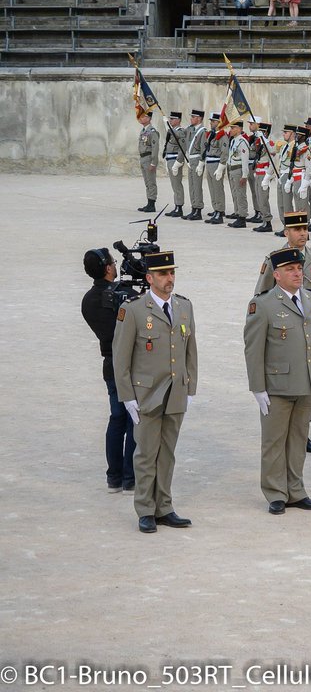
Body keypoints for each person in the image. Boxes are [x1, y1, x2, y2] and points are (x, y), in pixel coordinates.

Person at [112, 250, 197, 533]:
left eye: (171, 272)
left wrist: (190, 386)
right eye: (162, 274)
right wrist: (126, 397)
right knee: (146, 454)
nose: (169, 278)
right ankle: (145, 509)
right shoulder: (134, 310)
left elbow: (190, 350)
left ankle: (165, 506)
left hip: (175, 392)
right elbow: (121, 357)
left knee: (168, 453)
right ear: (149, 278)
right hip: (146, 395)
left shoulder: (184, 307)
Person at [244, 247, 311, 515]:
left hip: (306, 382)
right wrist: (257, 387)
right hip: (277, 386)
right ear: (276, 275)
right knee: (274, 441)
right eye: (290, 269)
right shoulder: (264, 304)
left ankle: (296, 489)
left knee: (298, 438)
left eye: (299, 268)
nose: (297, 273)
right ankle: (275, 492)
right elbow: (253, 348)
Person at [253, 211, 311, 453]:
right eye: (297, 230)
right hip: (284, 332)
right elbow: (260, 296)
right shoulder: (275, 260)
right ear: (286, 232)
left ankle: (303, 432)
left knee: (309, 381)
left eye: (305, 229)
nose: (303, 234)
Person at [81, 248, 136, 492]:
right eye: (114, 262)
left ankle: (113, 477)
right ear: (107, 268)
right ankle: (130, 477)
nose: (117, 265)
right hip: (130, 365)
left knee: (116, 418)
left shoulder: (88, 300)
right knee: (135, 420)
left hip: (109, 364)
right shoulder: (122, 295)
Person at [135, 110, 159, 213]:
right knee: (147, 182)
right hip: (143, 158)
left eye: (144, 117)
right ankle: (148, 203)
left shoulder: (152, 132)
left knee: (151, 182)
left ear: (149, 118)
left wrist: (154, 162)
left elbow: (155, 148)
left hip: (149, 158)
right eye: (141, 117)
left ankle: (152, 204)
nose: (141, 118)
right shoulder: (144, 131)